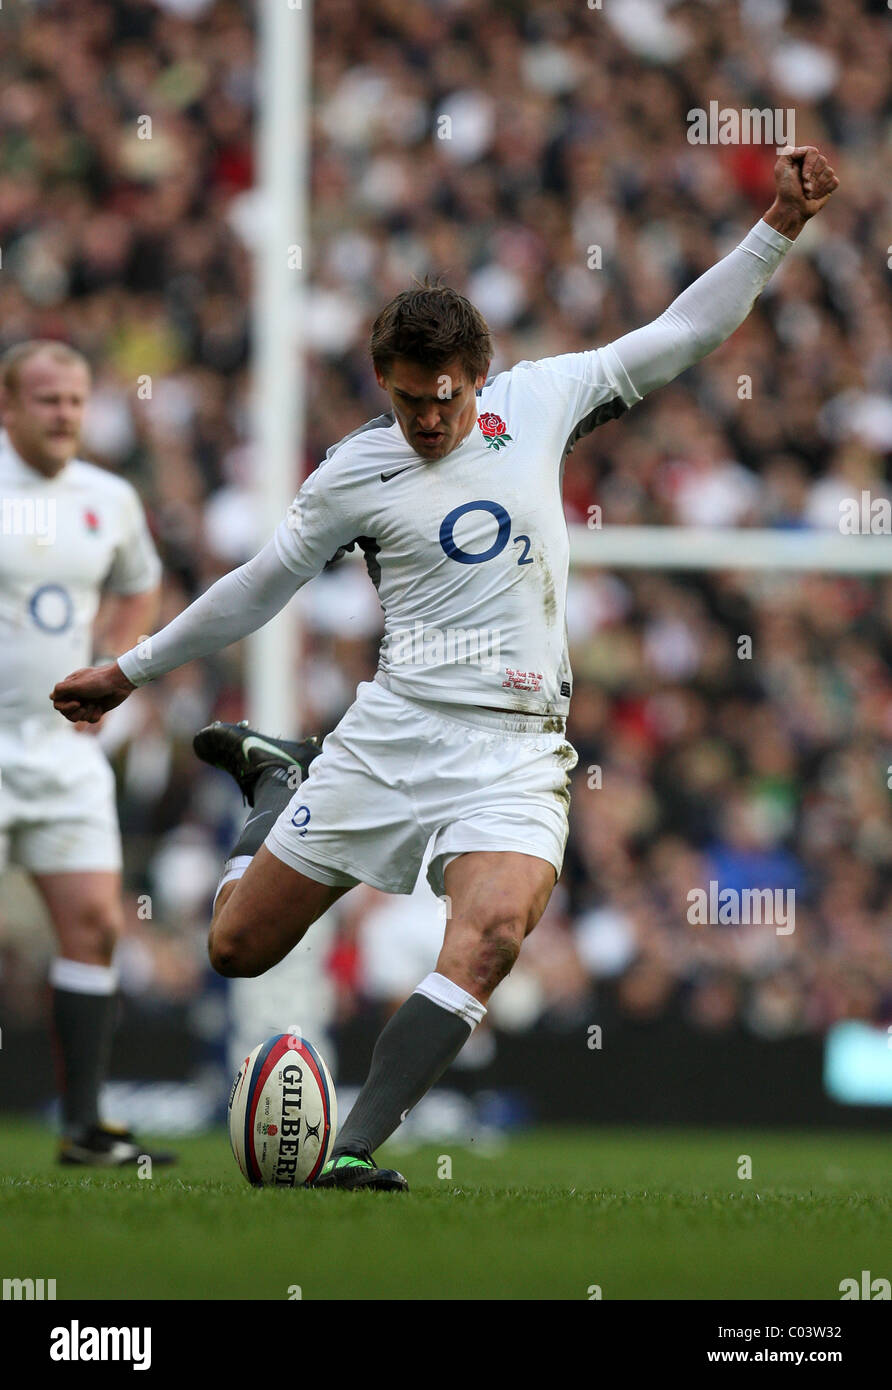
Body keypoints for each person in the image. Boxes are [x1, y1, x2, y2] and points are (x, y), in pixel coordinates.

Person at [50, 147, 838, 1190]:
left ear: (479, 373)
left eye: (445, 397)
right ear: (384, 382)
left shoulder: (543, 399)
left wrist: (777, 223)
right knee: (235, 949)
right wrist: (132, 669)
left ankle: (356, 1146)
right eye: (408, 399)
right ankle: (276, 782)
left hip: (514, 748)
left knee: (493, 932)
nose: (427, 418)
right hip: (395, 729)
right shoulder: (354, 473)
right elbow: (260, 583)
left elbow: (685, 333)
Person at [0, 340, 173, 1165]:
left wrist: (111, 648)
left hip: (62, 749)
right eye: (46, 399)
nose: (65, 413)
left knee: (97, 924)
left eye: (75, 398)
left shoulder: (108, 497)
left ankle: (84, 1127)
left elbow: (142, 581)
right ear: (7, 406)